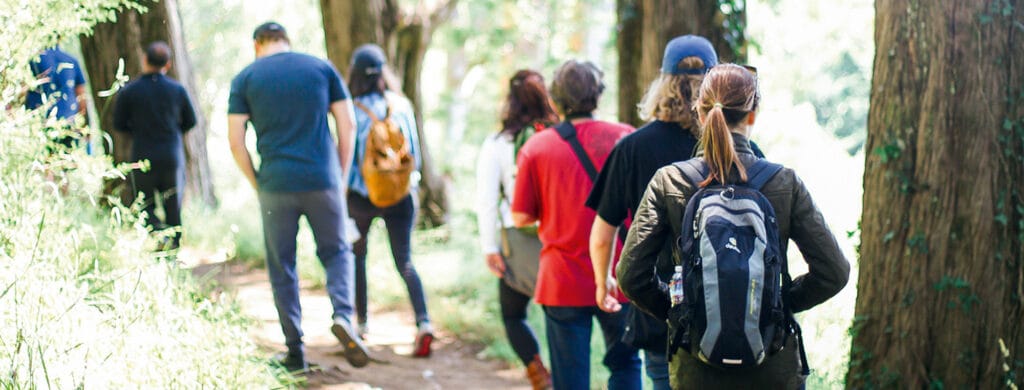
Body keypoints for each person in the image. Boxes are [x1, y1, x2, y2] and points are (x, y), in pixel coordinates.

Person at [617, 63, 851, 388]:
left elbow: (630, 275)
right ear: (752, 115)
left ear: (700, 112)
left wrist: (684, 314)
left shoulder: (668, 181)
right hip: (773, 363)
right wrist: (776, 307)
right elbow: (834, 271)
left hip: (696, 366)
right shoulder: (785, 182)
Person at [585, 35, 764, 390]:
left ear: (662, 83)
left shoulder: (632, 148)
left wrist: (601, 280)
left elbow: (603, 233)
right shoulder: (748, 153)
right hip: (734, 314)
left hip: (663, 315)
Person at [227, 21, 369, 372]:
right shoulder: (321, 68)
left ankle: (295, 352)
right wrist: (338, 174)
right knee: (337, 252)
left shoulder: (246, 78)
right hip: (323, 180)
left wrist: (256, 181)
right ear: (286, 41)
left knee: (282, 267)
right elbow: (347, 124)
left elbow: (235, 140)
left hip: (275, 184)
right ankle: (344, 315)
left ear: (258, 44)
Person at [512, 60, 641, 390]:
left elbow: (520, 216)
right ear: (597, 96)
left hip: (562, 279)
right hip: (619, 274)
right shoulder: (627, 138)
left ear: (554, 100)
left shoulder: (536, 148)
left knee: (570, 380)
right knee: (626, 365)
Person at [344, 43, 434, 357]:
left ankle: (361, 322)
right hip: (400, 195)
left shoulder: (350, 108)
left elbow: (346, 159)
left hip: (361, 197)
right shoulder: (401, 105)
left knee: (357, 256)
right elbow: (416, 157)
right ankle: (424, 322)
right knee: (405, 260)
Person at [475, 69, 558, 389]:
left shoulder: (497, 143)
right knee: (561, 317)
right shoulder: (561, 135)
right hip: (560, 238)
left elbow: (486, 200)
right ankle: (565, 374)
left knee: (513, 315)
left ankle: (538, 372)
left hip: (517, 241)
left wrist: (490, 247)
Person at [113, 41, 197, 250]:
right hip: (171, 155)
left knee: (145, 204)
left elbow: (118, 124)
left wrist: (137, 130)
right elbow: (191, 121)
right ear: (167, 65)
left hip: (143, 154)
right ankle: (174, 248)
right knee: (173, 204)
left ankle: (159, 237)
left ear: (145, 60)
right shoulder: (177, 90)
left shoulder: (129, 91)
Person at [25, 44, 87, 150]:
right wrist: (85, 126)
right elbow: (81, 97)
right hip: (69, 124)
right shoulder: (72, 61)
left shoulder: (33, 60)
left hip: (40, 124)